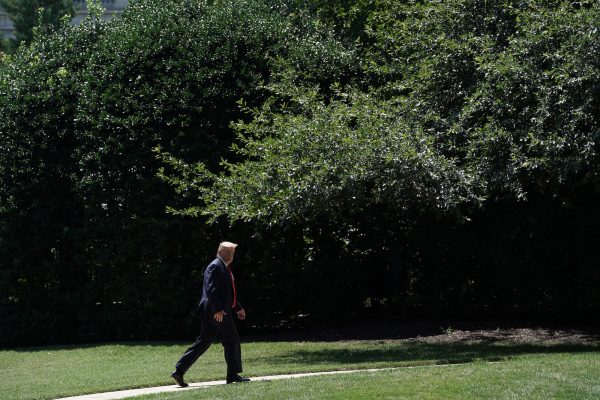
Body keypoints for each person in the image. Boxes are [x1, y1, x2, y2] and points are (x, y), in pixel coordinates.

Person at [171, 241, 250, 386]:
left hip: (215, 311)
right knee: (232, 340)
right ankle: (232, 375)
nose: (231, 255)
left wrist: (237, 307)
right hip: (216, 312)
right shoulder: (215, 266)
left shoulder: (224, 267)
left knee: (203, 342)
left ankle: (179, 371)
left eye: (232, 252)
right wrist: (218, 310)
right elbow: (210, 290)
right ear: (219, 252)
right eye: (228, 252)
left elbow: (227, 292)